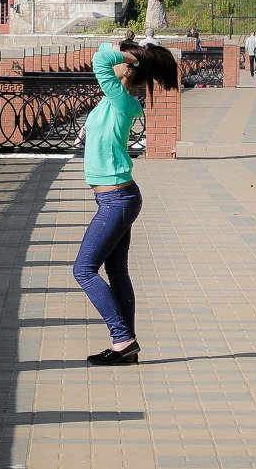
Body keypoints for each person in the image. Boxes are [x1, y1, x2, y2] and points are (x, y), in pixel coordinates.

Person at [73, 40, 179, 365]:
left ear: (128, 69)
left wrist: (131, 51)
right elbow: (103, 121)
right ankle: (127, 348)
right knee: (116, 271)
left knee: (84, 270)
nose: (115, 63)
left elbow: (100, 58)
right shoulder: (113, 102)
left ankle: (122, 338)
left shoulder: (121, 100)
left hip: (116, 201)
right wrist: (86, 130)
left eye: (123, 60)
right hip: (118, 198)